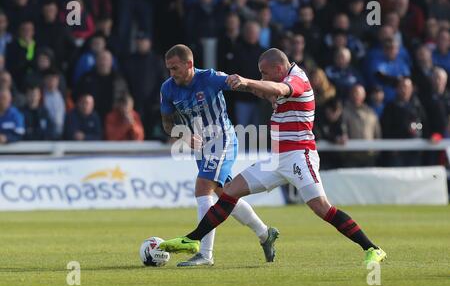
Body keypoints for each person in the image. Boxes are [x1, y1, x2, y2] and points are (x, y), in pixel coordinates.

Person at [160, 48, 387, 266]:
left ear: (279, 68)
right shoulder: (282, 79)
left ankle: (372, 248)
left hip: (299, 156)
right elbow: (267, 90)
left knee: (322, 208)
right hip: (278, 158)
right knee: (229, 192)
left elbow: (278, 90)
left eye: (264, 72)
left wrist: (248, 82)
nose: (262, 76)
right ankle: (193, 239)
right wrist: (250, 86)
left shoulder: (298, 79)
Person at [160, 44, 278, 267]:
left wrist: (267, 94)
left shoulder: (210, 78)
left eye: (175, 68)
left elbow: (241, 85)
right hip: (201, 147)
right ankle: (265, 234)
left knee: (202, 188)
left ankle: (205, 254)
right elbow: (167, 123)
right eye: (169, 69)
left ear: (189, 64)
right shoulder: (168, 89)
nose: (171, 74)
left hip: (222, 139)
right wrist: (182, 134)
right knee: (227, 196)